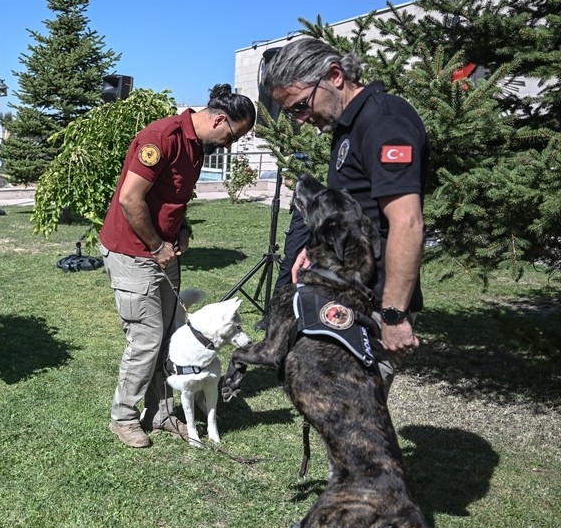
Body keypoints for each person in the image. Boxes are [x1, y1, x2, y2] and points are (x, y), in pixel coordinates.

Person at [100, 84, 256, 448]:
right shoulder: (162, 138)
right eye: (234, 135)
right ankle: (123, 417)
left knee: (170, 336)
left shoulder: (196, 149)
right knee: (147, 338)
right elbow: (130, 198)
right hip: (132, 252)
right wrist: (156, 245)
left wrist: (181, 229)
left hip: (163, 252)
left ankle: (162, 413)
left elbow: (175, 198)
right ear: (219, 119)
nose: (230, 145)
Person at [263, 38, 427, 382]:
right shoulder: (348, 124)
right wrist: (313, 250)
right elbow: (351, 212)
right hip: (350, 294)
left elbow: (407, 223)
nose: (300, 120)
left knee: (357, 420)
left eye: (300, 106)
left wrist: (394, 316)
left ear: (335, 75)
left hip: (377, 304)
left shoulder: (384, 121)